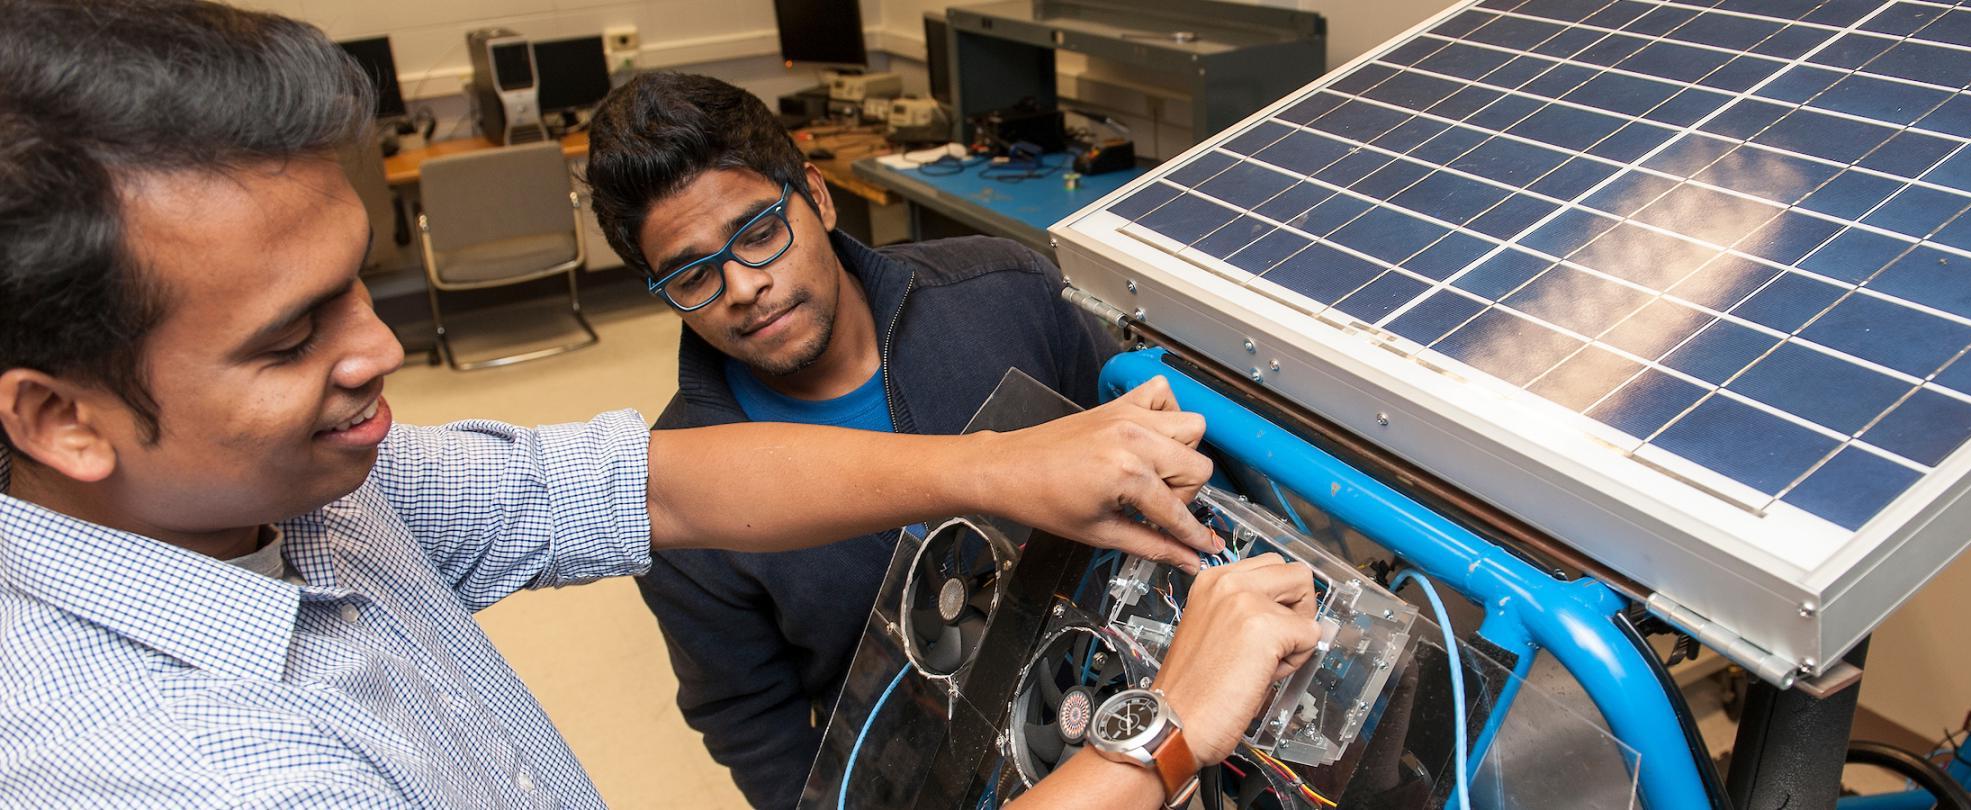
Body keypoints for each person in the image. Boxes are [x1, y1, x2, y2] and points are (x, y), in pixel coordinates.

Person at [0, 0, 1320, 807]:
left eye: (365, 289)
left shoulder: (317, 483)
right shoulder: (177, 774)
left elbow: (665, 483)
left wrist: (995, 469)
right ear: (61, 416)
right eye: (294, 334)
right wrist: (1172, 734)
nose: (381, 355)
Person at [580, 73, 1120, 808]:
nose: (741, 287)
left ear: (819, 196)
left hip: (1128, 695)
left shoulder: (1011, 295)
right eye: (691, 275)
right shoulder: (678, 497)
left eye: (761, 232)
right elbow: (752, 721)